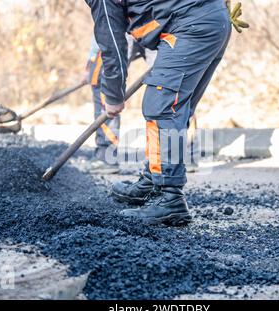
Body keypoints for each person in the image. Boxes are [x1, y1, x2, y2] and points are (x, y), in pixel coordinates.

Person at [84, 0, 248, 226]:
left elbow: (112, 42)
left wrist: (113, 96)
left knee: (161, 107)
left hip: (191, 26)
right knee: (175, 109)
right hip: (211, 21)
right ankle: (154, 179)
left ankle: (169, 197)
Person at [84, 35, 156, 174]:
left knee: (103, 82)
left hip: (125, 23)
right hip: (160, 22)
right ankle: (181, 155)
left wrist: (92, 58)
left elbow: (105, 19)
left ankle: (106, 155)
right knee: (172, 81)